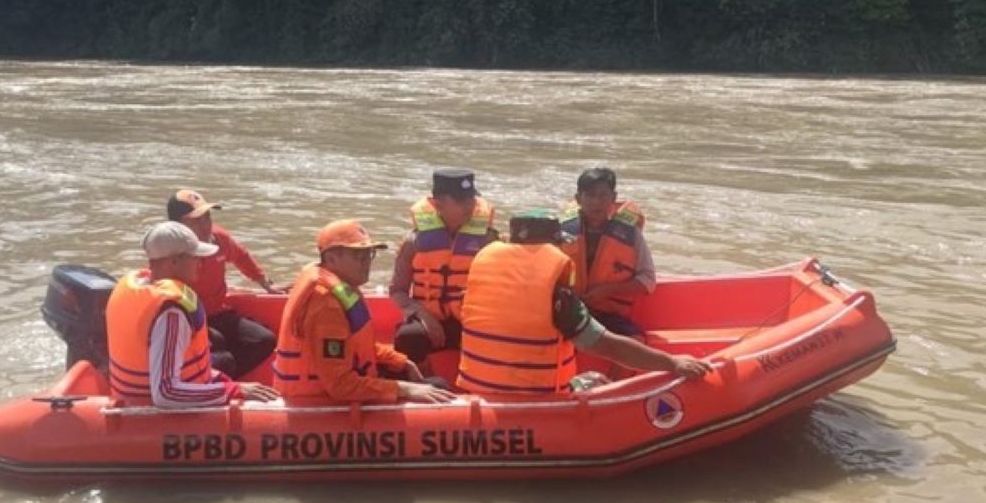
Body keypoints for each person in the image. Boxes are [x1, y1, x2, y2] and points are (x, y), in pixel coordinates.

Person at [456, 210, 710, 396]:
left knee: (588, 378)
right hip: (533, 398)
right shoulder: (556, 296)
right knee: (597, 381)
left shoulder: (482, 277)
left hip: (479, 389)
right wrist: (672, 363)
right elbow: (608, 345)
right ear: (550, 244)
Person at [274, 219, 455, 404]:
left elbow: (357, 345)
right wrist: (404, 389)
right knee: (438, 387)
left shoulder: (341, 285)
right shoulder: (326, 305)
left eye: (369, 254)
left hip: (348, 382)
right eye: (357, 256)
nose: (366, 262)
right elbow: (340, 386)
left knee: (433, 384)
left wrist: (400, 361)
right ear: (331, 259)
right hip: (319, 400)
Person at [105, 221, 279, 407]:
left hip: (133, 396)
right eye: (194, 257)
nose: (201, 262)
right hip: (153, 416)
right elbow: (165, 393)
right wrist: (234, 390)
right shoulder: (171, 313)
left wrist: (225, 382)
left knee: (225, 358)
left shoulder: (138, 285)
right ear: (173, 262)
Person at [390, 168, 500, 369]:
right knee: (407, 338)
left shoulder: (489, 240)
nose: (470, 206)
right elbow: (398, 290)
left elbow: (501, 289)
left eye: (472, 199)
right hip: (429, 317)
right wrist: (423, 316)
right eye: (460, 200)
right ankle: (426, 383)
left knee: (500, 336)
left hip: (471, 319)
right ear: (437, 204)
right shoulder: (413, 242)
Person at [167, 189, 283, 378]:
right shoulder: (170, 253)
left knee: (264, 339)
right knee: (220, 346)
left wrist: (266, 283)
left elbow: (242, 257)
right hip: (189, 320)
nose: (205, 225)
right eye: (196, 220)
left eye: (207, 217)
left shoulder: (219, 238)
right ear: (177, 226)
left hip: (218, 312)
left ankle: (225, 379)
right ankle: (215, 378)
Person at [560, 167, 656, 337]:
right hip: (567, 310)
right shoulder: (560, 232)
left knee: (636, 341)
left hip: (608, 315)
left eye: (603, 195)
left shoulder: (631, 236)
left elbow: (647, 281)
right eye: (590, 195)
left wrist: (609, 290)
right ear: (578, 199)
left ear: (613, 198)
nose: (597, 202)